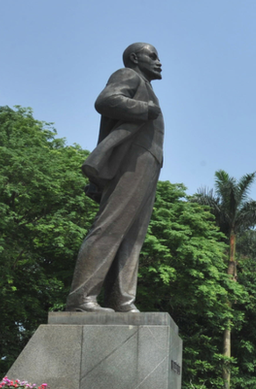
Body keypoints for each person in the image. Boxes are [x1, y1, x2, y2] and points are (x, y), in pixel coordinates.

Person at [66, 42, 164, 313]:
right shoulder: (129, 75)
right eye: (152, 56)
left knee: (133, 236)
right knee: (110, 226)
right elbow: (106, 101)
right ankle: (81, 297)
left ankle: (123, 300)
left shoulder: (146, 85)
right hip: (132, 159)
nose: (159, 62)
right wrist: (145, 110)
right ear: (135, 58)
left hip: (148, 161)